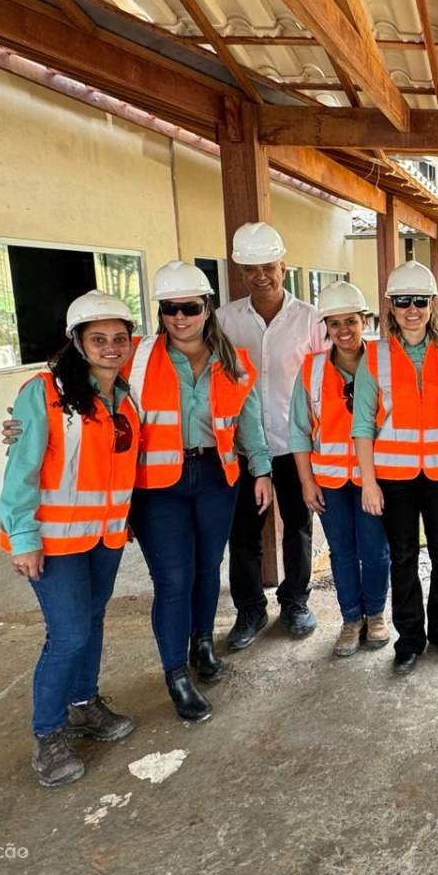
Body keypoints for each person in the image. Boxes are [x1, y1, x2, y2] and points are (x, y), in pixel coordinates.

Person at [0, 291, 139, 788]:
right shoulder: (45, 392)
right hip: (54, 541)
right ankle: (48, 734)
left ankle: (84, 703)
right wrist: (22, 536)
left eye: (119, 339)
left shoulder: (122, 396)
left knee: (93, 621)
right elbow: (22, 469)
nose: (110, 347)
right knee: (69, 634)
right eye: (98, 338)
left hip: (104, 537)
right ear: (77, 342)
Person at [124, 261, 272, 722]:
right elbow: (80, 393)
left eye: (189, 307)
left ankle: (202, 645)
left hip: (215, 477)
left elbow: (247, 420)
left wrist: (262, 469)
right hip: (156, 485)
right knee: (173, 579)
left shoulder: (234, 361)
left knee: (208, 568)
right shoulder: (136, 358)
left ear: (207, 308)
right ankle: (176, 675)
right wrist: (24, 422)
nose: (180, 318)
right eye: (170, 309)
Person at [352, 261, 438, 675]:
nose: (412, 310)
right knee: (402, 557)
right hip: (395, 478)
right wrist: (368, 482)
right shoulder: (375, 354)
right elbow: (362, 425)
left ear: (432, 305)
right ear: (390, 306)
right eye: (402, 301)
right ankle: (409, 639)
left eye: (419, 301)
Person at [216, 222, 328, 648]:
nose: (260, 275)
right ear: (239, 272)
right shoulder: (225, 320)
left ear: (283, 265)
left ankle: (296, 602)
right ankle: (249, 610)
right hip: (243, 449)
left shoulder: (309, 321)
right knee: (242, 532)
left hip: (295, 445)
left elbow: (327, 380)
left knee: (298, 526)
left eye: (268, 266)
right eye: (249, 269)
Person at [290, 281, 392, 659]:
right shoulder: (312, 369)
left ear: (365, 320)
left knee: (375, 549)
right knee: (342, 552)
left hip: (375, 478)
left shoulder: (384, 361)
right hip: (330, 481)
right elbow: (298, 430)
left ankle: (377, 614)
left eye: (351, 321)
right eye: (334, 324)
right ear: (326, 329)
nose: (344, 331)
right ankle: (351, 619)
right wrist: (305, 481)